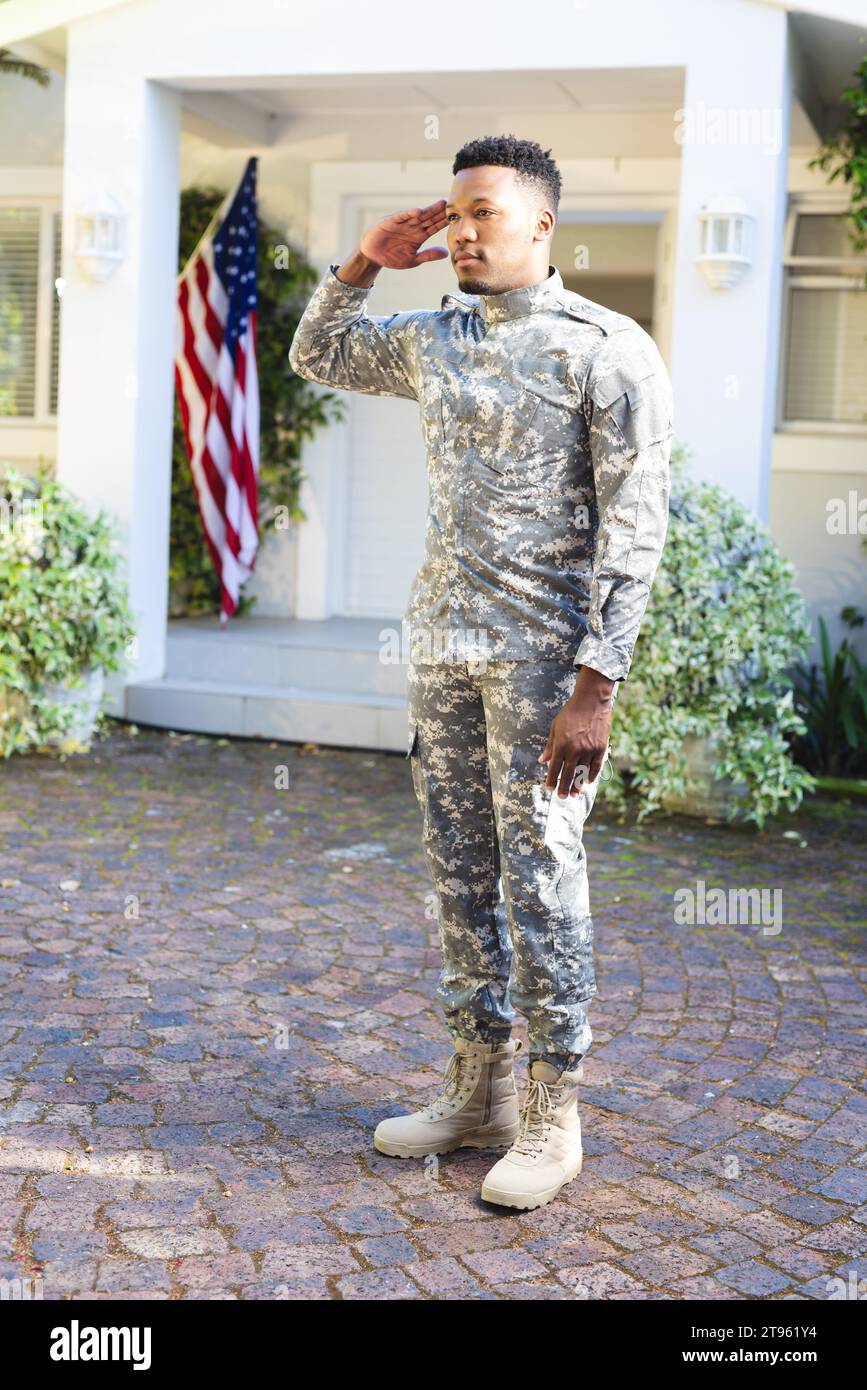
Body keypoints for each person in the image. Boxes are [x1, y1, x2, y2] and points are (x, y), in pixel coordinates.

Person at [288, 134, 673, 1211]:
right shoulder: (438, 338)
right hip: (443, 648)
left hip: (549, 668)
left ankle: (554, 1111)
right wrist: (364, 260)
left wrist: (598, 684)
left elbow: (636, 528)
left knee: (542, 874)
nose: (461, 231)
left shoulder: (610, 350)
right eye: (453, 214)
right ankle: (478, 1090)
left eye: (485, 213)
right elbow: (316, 356)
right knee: (461, 869)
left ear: (542, 224)